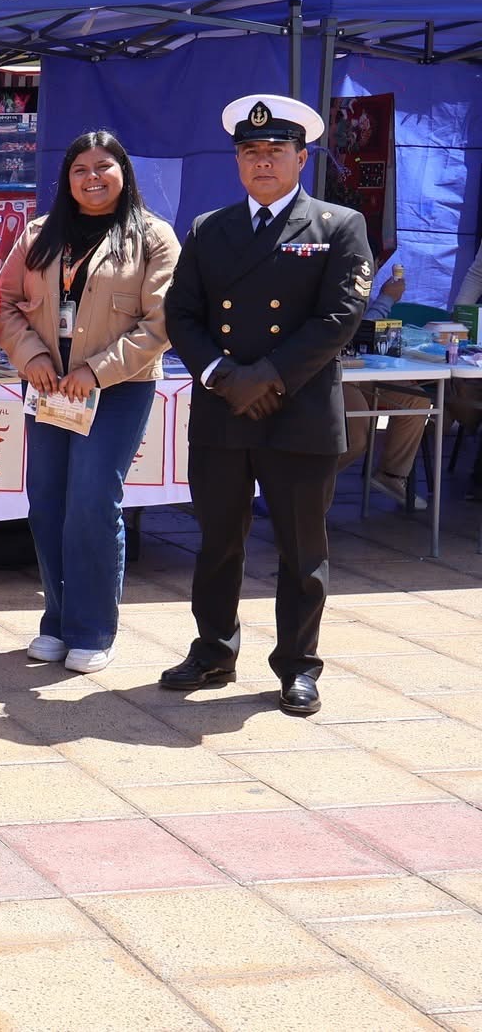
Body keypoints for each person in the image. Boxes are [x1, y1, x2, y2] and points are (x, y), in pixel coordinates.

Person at [161, 94, 372, 717]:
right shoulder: (209, 229)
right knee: (218, 541)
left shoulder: (338, 226)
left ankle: (298, 665)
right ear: (237, 161)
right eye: (250, 151)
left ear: (301, 158)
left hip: (299, 410)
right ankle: (212, 649)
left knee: (303, 550)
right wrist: (223, 374)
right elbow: (183, 313)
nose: (262, 162)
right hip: (225, 408)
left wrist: (269, 377)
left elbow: (339, 317)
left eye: (276, 151)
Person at [0, 131, 180, 674]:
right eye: (80, 169)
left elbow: (160, 323)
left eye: (104, 167)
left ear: (124, 172)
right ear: (66, 178)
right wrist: (32, 358)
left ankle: (93, 627)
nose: (92, 178)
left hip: (117, 390)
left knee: (93, 502)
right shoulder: (39, 234)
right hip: (49, 389)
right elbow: (4, 304)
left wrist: (95, 372)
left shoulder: (153, 237)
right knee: (47, 501)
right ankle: (57, 619)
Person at [338, 259, 430, 508]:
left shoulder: (360, 283)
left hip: (359, 369)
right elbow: (353, 328)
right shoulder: (335, 279)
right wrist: (387, 299)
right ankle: (301, 486)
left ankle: (391, 475)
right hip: (329, 372)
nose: (376, 267)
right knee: (356, 434)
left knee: (415, 400)